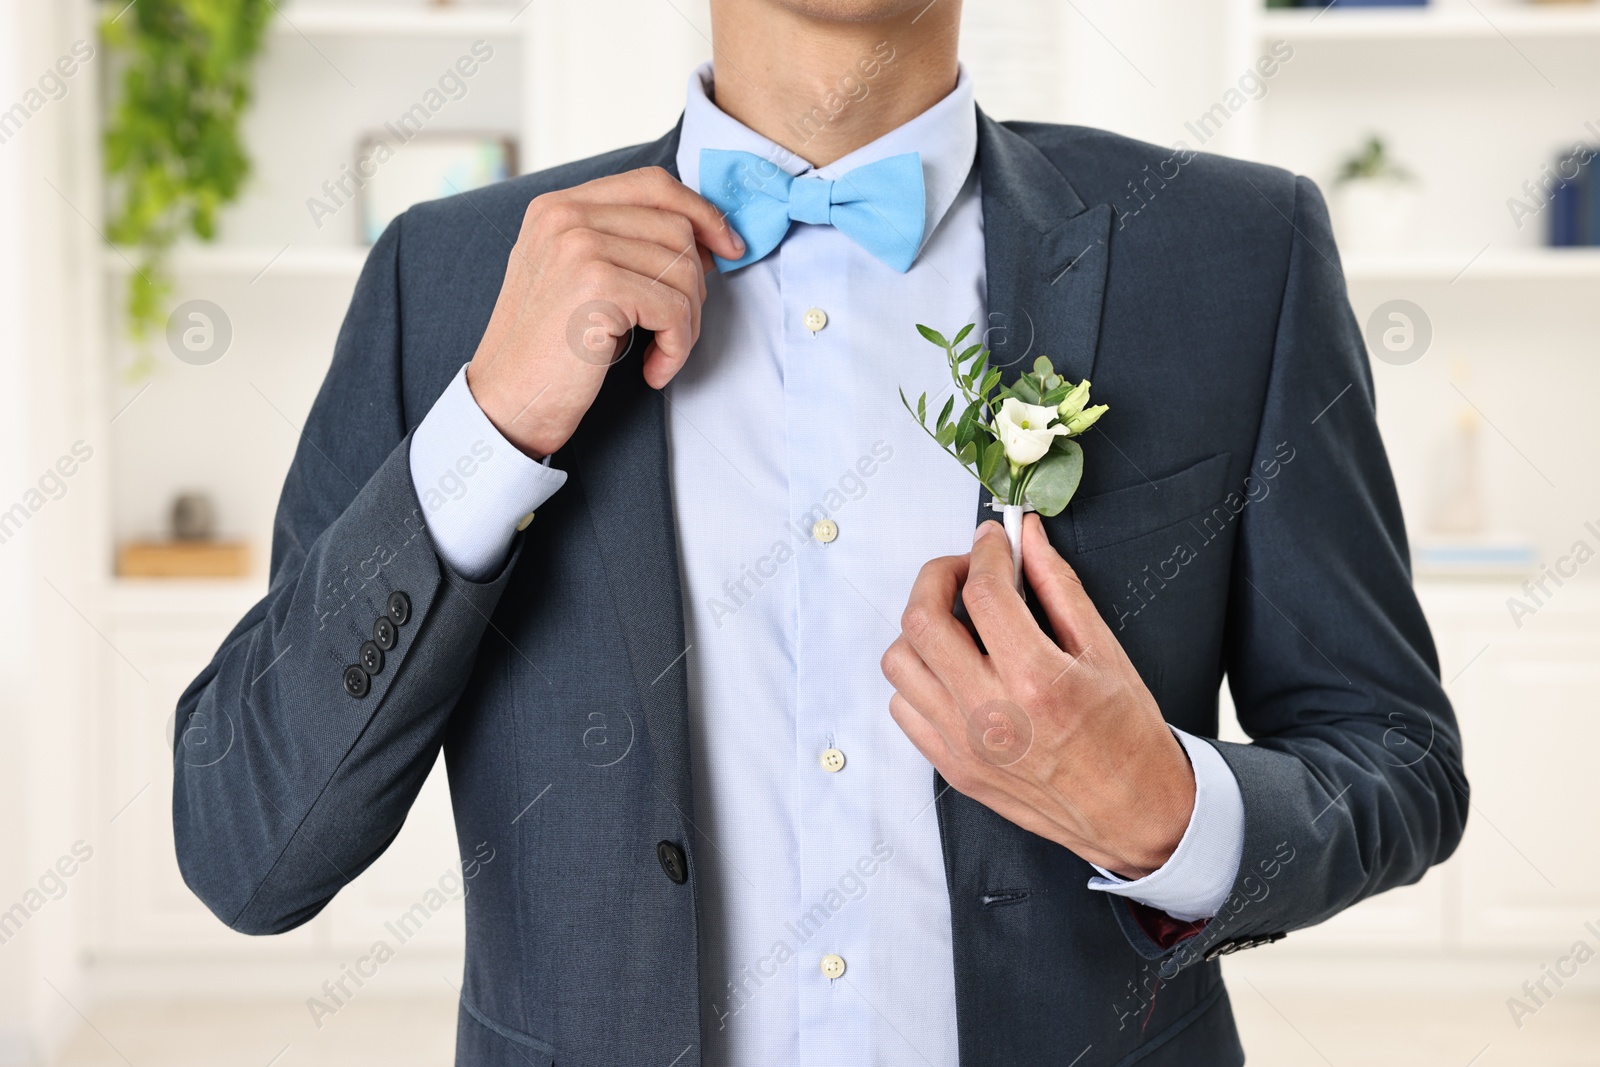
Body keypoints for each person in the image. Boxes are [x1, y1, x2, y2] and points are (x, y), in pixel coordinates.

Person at [171, 1, 1468, 1063]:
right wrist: (490, 430)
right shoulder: (444, 278)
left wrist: (1170, 814)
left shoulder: (1236, 253)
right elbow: (247, 850)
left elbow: (1398, 760)